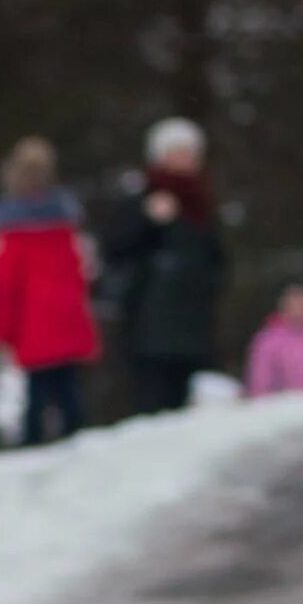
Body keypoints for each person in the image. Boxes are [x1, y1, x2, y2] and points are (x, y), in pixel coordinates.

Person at [100, 117, 228, 416]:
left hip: (194, 324)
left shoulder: (202, 206)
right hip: (148, 327)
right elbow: (116, 250)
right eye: (176, 152)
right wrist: (148, 220)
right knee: (152, 403)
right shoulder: (140, 202)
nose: (184, 160)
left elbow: (216, 259)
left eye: (189, 153)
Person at [0, 137, 101, 447]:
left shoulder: (10, 237)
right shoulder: (65, 229)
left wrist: (2, 331)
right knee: (68, 392)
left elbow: (3, 288)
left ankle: (33, 450)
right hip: (66, 318)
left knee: (37, 394)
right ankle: (74, 447)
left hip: (33, 325)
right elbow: (82, 277)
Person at [244, 283, 303, 397]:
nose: (299, 313)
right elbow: (259, 380)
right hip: (282, 404)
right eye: (293, 307)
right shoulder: (267, 341)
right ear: (283, 310)